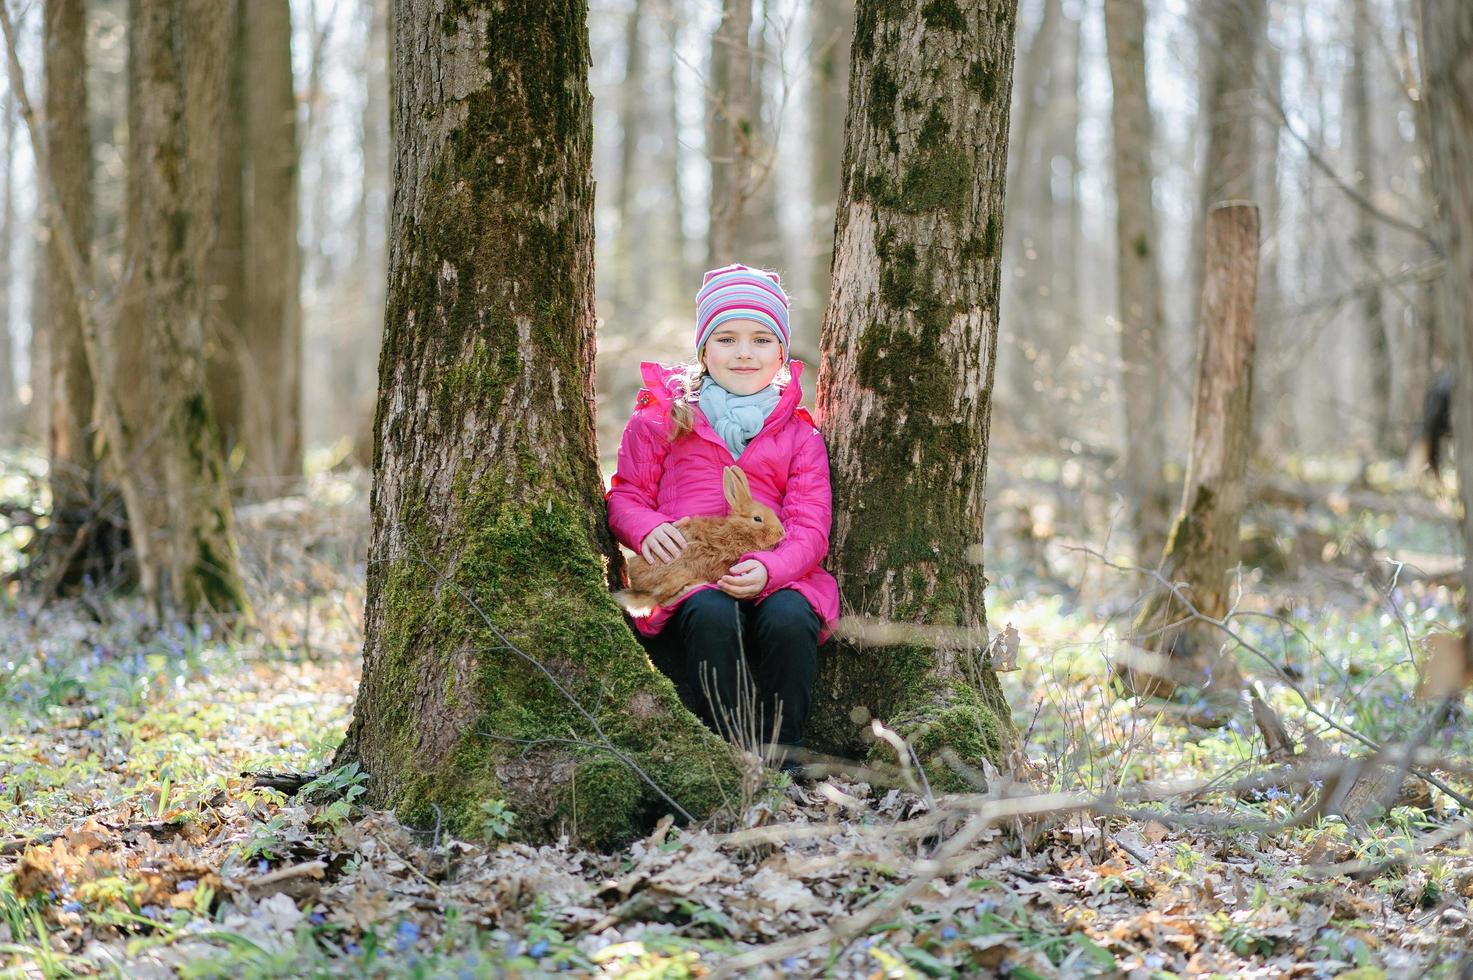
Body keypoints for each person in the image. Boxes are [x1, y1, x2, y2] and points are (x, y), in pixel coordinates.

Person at [605, 263, 840, 768]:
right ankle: (728, 754)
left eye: (760, 339)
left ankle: (783, 757)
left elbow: (810, 522)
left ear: (781, 353)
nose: (743, 353)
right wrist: (647, 530)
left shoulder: (799, 433)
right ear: (704, 351)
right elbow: (625, 495)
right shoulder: (663, 418)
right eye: (727, 338)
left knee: (789, 618)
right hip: (690, 572)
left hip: (778, 573)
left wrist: (772, 570)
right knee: (711, 613)